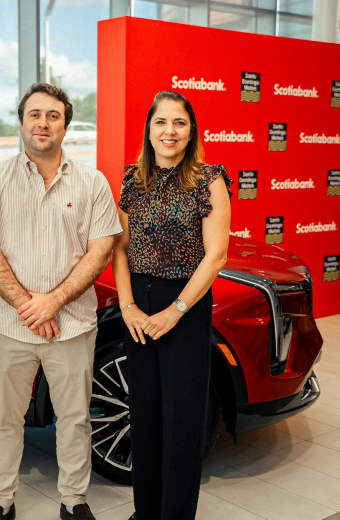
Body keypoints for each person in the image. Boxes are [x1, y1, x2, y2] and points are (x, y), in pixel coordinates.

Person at [0, 83, 122, 520]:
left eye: (53, 115)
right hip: (5, 325)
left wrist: (53, 301)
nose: (43, 123)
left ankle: (73, 501)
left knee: (74, 419)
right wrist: (28, 305)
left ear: (66, 124)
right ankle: (1, 500)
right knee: (3, 421)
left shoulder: (92, 182)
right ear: (21, 122)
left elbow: (101, 249)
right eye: (34, 114)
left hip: (71, 324)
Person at [112, 91, 231, 520]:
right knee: (144, 418)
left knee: (182, 425)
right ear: (149, 129)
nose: (169, 131)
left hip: (186, 305)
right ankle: (145, 513)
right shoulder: (131, 180)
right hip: (138, 309)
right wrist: (127, 307)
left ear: (191, 130)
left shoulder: (209, 178)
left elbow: (215, 255)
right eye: (161, 122)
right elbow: (120, 249)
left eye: (179, 123)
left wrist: (175, 310)